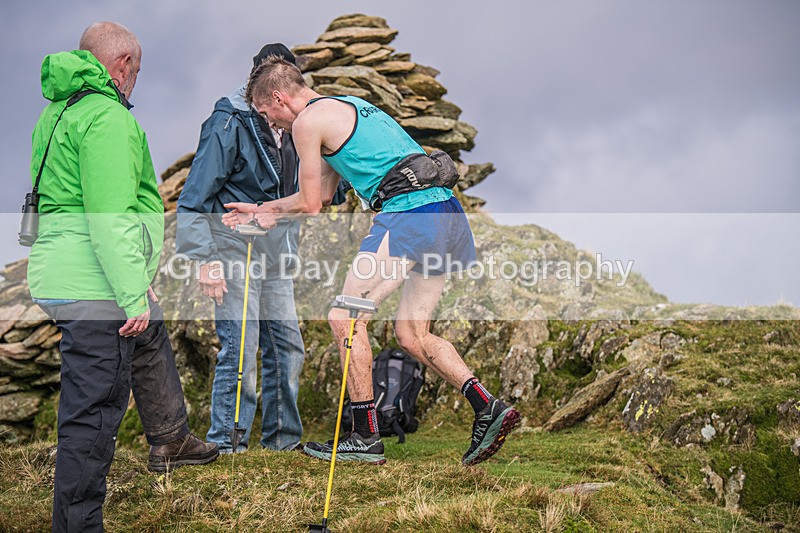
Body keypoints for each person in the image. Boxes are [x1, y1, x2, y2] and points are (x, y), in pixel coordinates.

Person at [223, 56, 520, 466]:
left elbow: (308, 205)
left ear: (278, 97)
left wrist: (265, 211)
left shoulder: (307, 124)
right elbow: (323, 198)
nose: (269, 123)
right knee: (412, 334)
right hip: (445, 213)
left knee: (344, 318)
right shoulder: (344, 105)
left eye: (265, 113)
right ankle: (488, 407)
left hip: (408, 215)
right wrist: (266, 209)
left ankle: (364, 436)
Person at [27, 21, 218, 532]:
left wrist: (137, 286)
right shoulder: (107, 119)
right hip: (91, 285)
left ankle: (170, 437)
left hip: (62, 270)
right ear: (123, 65)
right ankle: (78, 525)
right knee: (92, 416)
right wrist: (128, 290)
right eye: (137, 70)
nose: (136, 81)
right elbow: (108, 216)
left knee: (149, 331)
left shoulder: (58, 111)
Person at [176, 44, 306, 453]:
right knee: (242, 347)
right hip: (232, 248)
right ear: (259, 88)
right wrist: (204, 260)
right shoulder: (228, 122)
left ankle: (283, 443)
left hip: (277, 251)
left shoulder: (299, 123)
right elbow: (194, 196)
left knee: (287, 347)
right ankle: (229, 443)